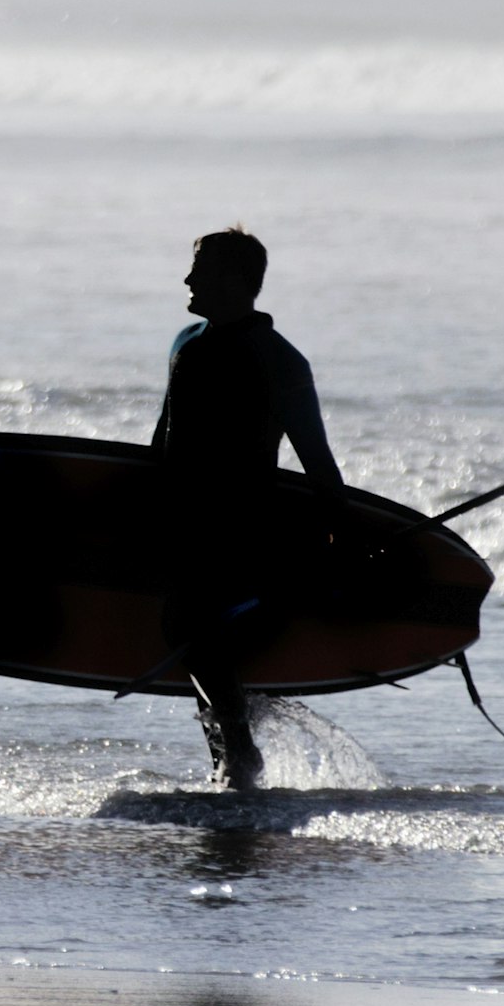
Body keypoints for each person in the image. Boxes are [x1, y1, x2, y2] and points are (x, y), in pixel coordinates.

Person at [150, 227, 341, 790]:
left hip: (244, 527)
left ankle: (239, 756)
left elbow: (317, 458)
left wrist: (342, 534)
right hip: (183, 523)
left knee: (188, 624)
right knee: (192, 634)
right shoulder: (186, 342)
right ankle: (228, 762)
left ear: (235, 282)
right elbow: (162, 439)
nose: (188, 280)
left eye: (201, 270)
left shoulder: (279, 361)